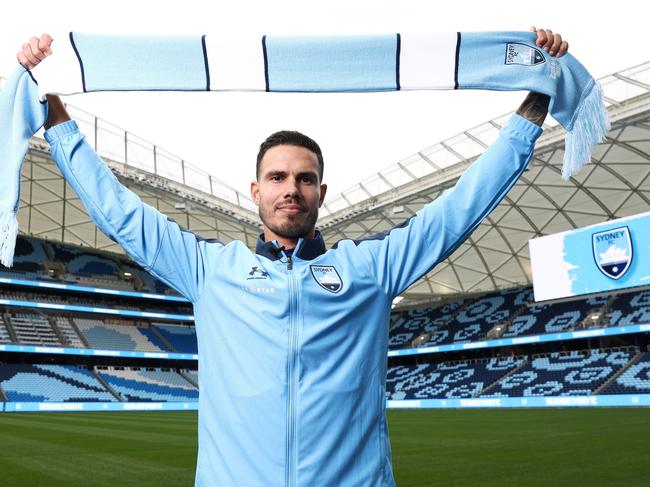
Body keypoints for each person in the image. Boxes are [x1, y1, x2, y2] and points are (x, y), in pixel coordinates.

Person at [18, 28, 568, 487]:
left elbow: (457, 210)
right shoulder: (211, 270)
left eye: (305, 179)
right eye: (277, 177)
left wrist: (536, 100)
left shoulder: (370, 270)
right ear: (254, 191)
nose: (291, 189)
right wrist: (58, 118)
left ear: (321, 193)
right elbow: (121, 213)